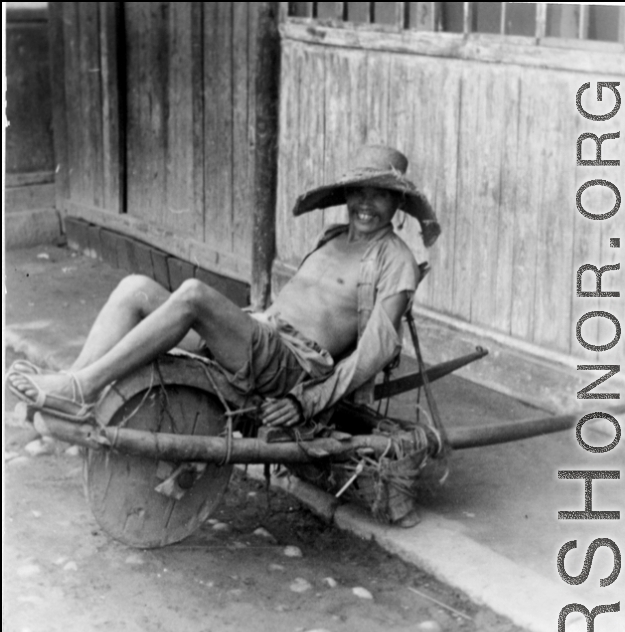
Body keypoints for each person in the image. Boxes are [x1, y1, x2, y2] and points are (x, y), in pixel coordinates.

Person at [8, 145, 440, 427]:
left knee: (194, 295)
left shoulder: (395, 260)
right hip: (259, 336)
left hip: (290, 367)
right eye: (358, 192)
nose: (365, 204)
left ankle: (82, 390)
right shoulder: (331, 237)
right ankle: (77, 384)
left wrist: (305, 402)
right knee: (135, 287)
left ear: (398, 202)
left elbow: (374, 352)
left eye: (379, 195)